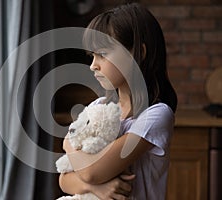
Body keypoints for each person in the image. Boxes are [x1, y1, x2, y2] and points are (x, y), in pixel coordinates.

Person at [58, 2, 177, 200]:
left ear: (139, 53)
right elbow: (63, 180)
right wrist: (98, 189)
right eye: (92, 56)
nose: (93, 66)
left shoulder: (155, 115)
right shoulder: (98, 107)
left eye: (102, 54)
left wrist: (68, 143)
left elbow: (91, 172)